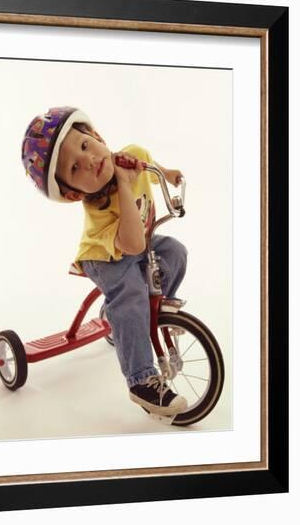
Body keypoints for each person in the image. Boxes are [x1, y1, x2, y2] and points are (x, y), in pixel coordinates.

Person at [21, 106, 188, 416]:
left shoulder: (132, 155)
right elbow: (133, 243)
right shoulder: (98, 207)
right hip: (106, 255)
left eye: (85, 146)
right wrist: (124, 184)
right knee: (131, 293)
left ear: (96, 136)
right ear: (73, 192)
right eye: (74, 169)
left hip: (139, 242)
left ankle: (157, 306)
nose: (89, 160)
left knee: (175, 251)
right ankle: (141, 381)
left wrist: (166, 174)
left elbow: (148, 162)